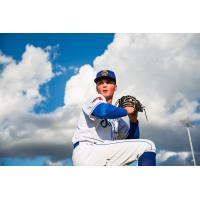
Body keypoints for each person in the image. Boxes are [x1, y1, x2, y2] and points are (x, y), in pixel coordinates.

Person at [72, 69, 156, 166]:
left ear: (115, 88)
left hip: (103, 155)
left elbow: (131, 141)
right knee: (148, 146)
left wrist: (133, 120)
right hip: (89, 150)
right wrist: (126, 111)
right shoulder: (94, 99)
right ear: (97, 88)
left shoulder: (117, 119)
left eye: (108, 82)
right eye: (100, 83)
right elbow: (102, 111)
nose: (104, 85)